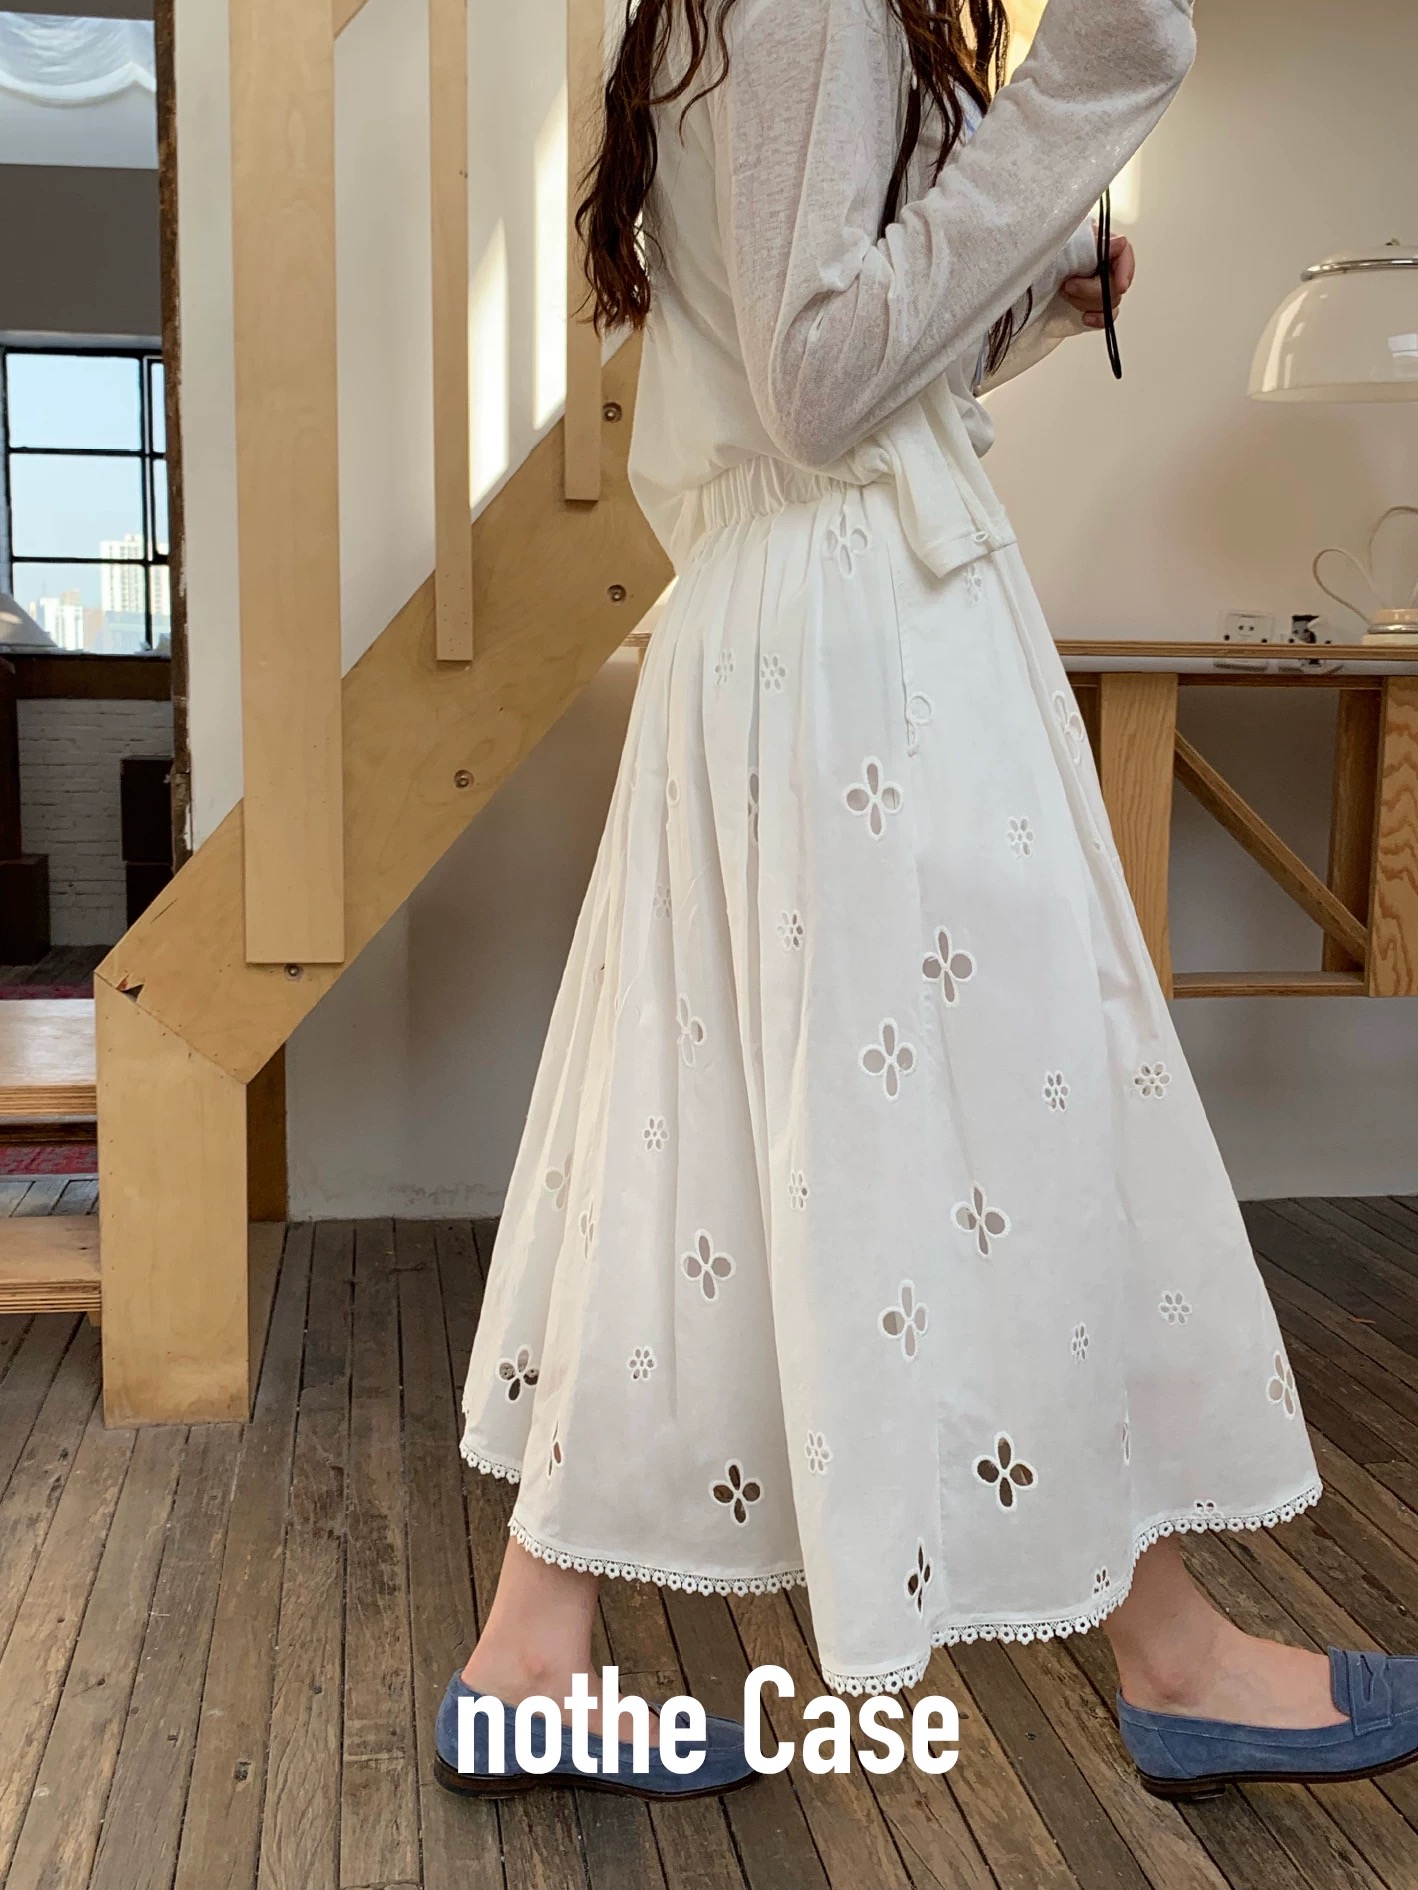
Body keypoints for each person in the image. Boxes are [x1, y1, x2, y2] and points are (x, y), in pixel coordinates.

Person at [437, 0, 1418, 1801]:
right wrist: (1086, 87)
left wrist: (1027, 297)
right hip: (860, 638)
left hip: (800, 619)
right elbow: (819, 384)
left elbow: (829, 369)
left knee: (709, 1129)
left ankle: (529, 1651)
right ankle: (1176, 1653)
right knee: (1016, 1119)